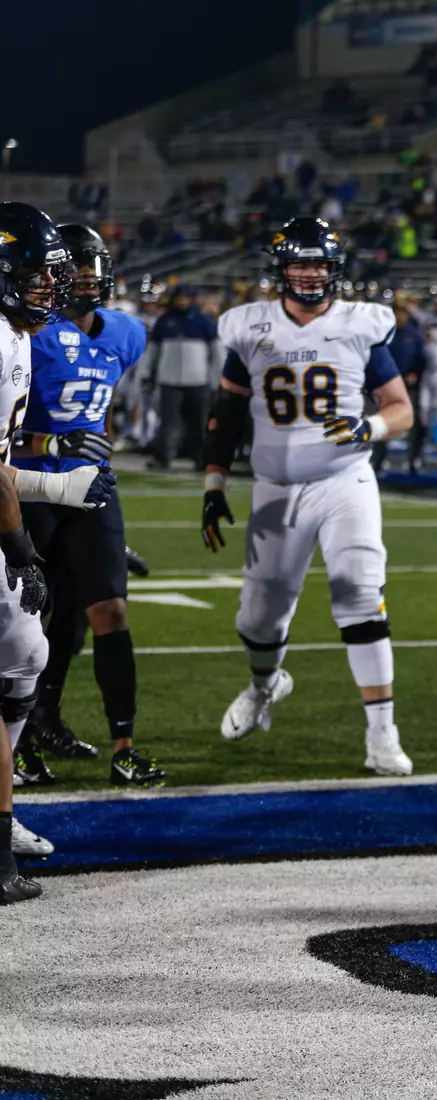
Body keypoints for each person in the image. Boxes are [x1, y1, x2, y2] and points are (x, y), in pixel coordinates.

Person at [201, 216, 416, 776]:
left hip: (346, 480)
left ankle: (382, 735)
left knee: (360, 593)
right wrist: (214, 482)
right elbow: (225, 414)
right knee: (260, 616)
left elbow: (401, 408)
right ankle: (265, 685)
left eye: (318, 263)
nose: (309, 273)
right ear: (281, 269)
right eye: (299, 263)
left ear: (334, 269)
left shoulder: (359, 325)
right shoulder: (251, 329)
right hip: (274, 487)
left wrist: (372, 427)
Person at [15, 223, 165, 788]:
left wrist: (95, 456)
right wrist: (51, 445)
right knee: (33, 621)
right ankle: (24, 741)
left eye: (92, 265)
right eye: (73, 266)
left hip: (93, 485)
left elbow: (98, 413)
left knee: (111, 612)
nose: (85, 276)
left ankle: (124, 748)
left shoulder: (126, 332)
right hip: (32, 487)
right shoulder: (27, 333)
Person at [0, 203, 121, 895]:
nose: (49, 288)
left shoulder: (19, 337)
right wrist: (22, 548)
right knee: (21, 650)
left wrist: (59, 486)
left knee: (25, 652)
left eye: (52, 276)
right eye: (35, 275)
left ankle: (2, 807)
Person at [145, 285, 217, 469]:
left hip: (198, 380)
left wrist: (217, 378)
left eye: (186, 297)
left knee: (199, 422)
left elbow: (216, 352)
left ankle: (201, 457)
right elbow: (153, 352)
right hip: (170, 379)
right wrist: (147, 373)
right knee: (168, 421)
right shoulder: (164, 321)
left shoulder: (203, 321)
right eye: (179, 297)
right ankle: (163, 456)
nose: (182, 300)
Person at [383, 297, 425, 472]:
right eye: (398, 312)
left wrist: (416, 374)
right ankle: (377, 459)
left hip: (409, 385)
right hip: (386, 384)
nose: (401, 316)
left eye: (403, 313)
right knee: (384, 422)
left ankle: (413, 459)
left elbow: (421, 360)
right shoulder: (384, 333)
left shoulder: (414, 335)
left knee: (414, 422)